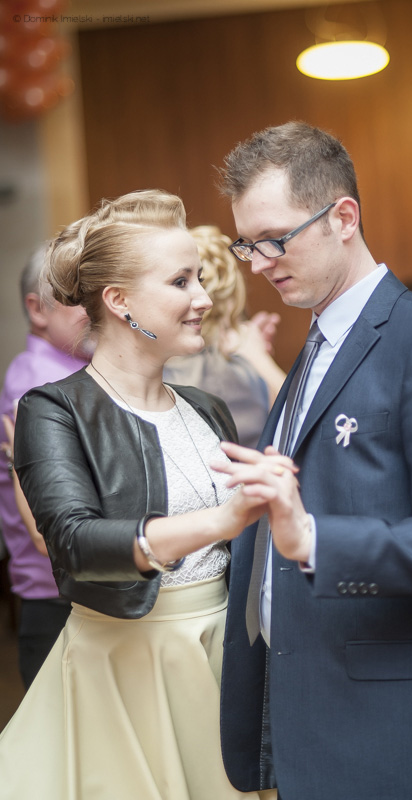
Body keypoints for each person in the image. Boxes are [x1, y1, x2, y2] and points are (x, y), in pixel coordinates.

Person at [209, 121, 412, 800]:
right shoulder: (315, 347)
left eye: (275, 239)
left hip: (410, 734)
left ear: (343, 218)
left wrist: (312, 540)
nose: (259, 263)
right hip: (326, 715)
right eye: (247, 245)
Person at [0, 189, 279, 800]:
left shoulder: (207, 409)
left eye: (199, 278)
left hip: (220, 658)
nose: (203, 298)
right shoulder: (53, 410)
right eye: (181, 281)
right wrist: (223, 519)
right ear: (119, 301)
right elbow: (73, 543)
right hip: (123, 668)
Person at [0, 244, 90, 688]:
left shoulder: (74, 365)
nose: (92, 306)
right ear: (37, 309)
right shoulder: (38, 384)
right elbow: (47, 528)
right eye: (76, 296)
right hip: (59, 602)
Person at [164, 224, 285, 447]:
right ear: (231, 303)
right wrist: (258, 358)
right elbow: (302, 422)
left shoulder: (153, 370)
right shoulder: (248, 376)